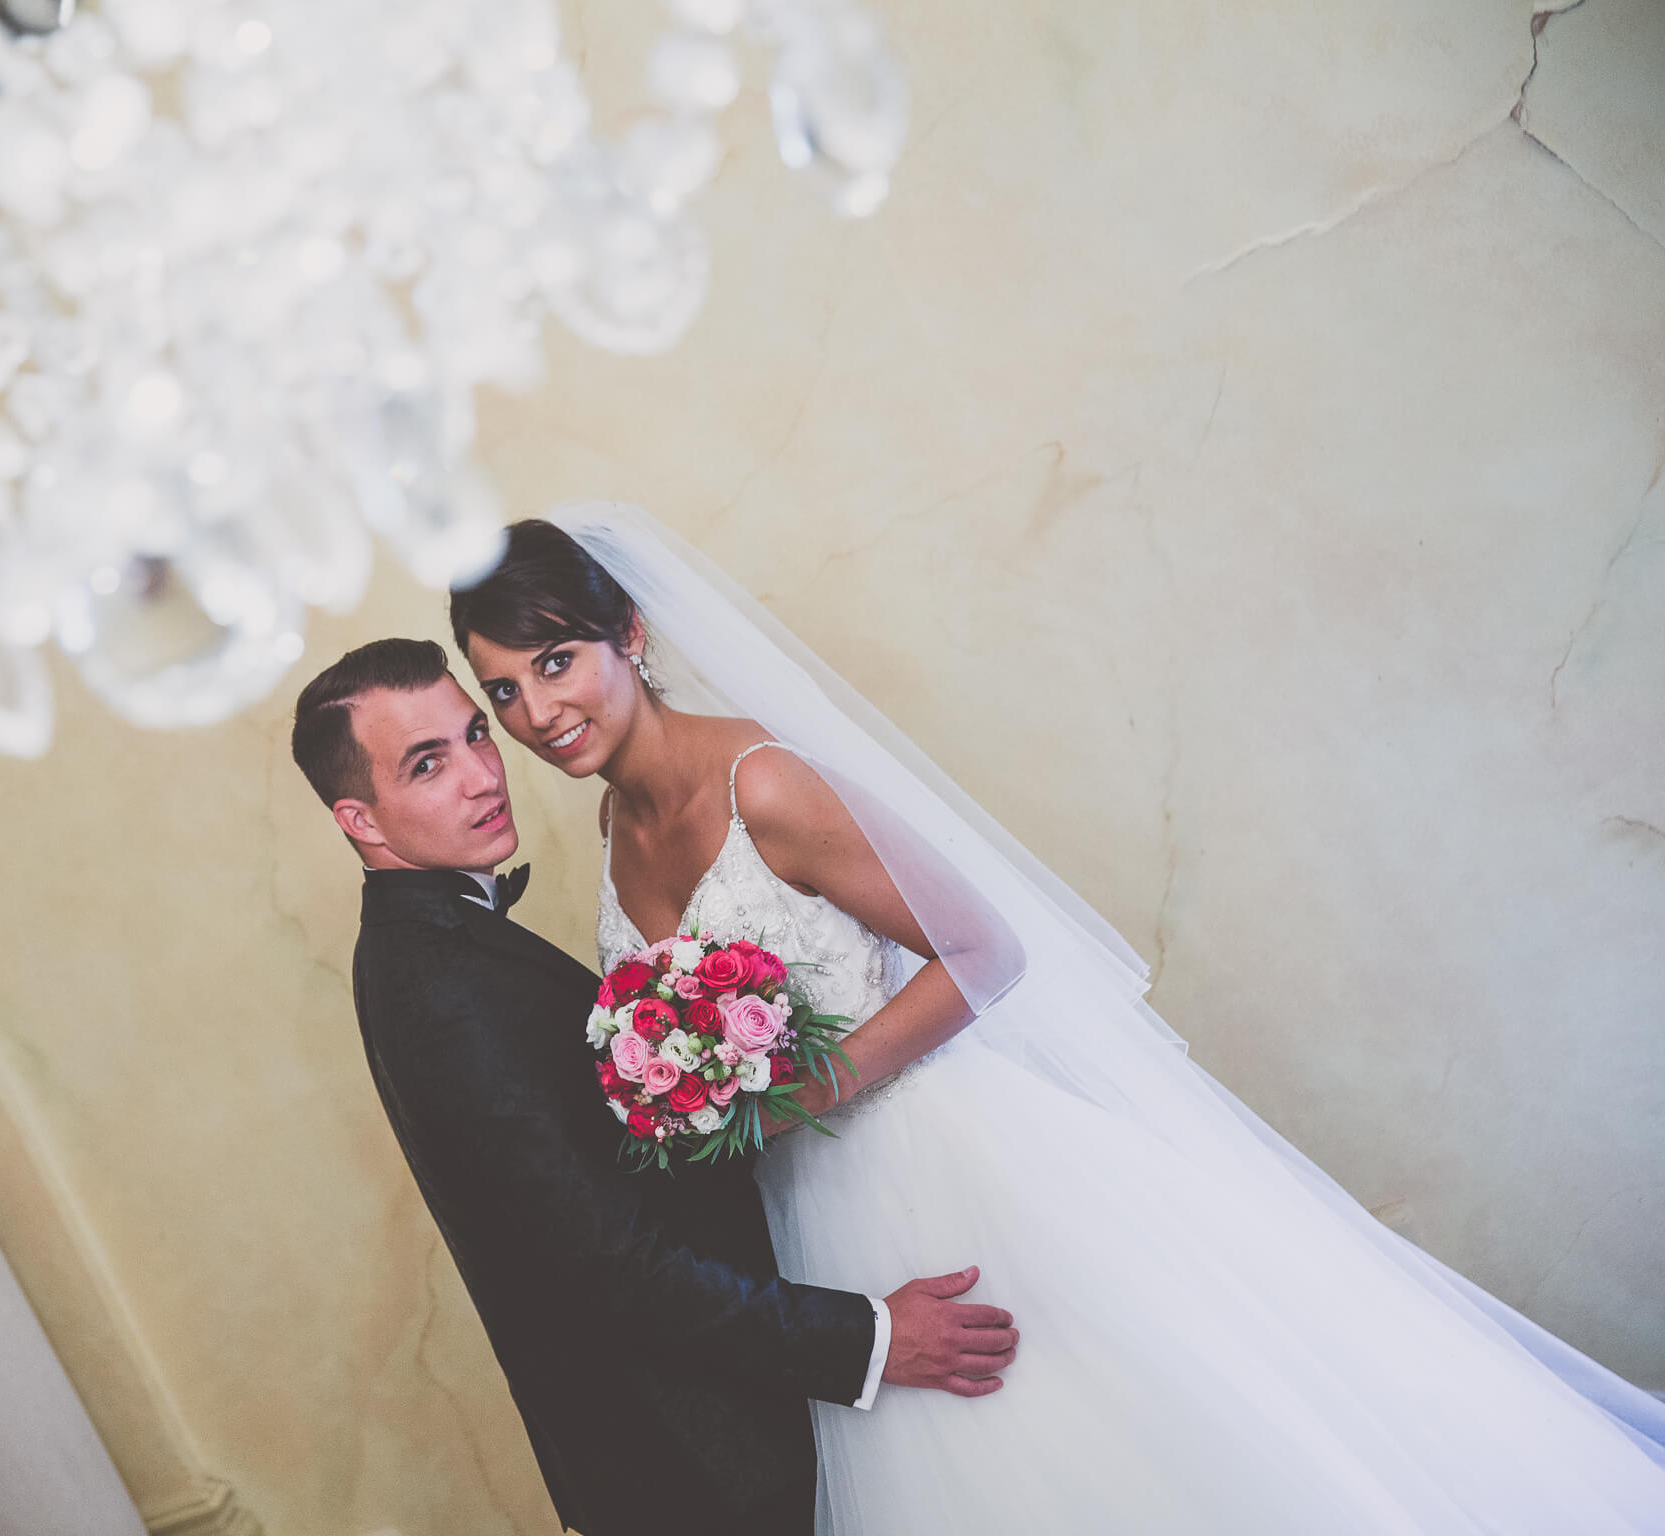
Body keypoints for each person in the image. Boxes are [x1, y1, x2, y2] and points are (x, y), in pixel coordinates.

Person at [448, 504, 1665, 1534]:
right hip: (814, 1233)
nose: (537, 711)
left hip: (948, 1166)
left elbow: (983, 953)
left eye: (556, 662)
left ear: (632, 636)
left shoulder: (761, 782)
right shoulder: (612, 835)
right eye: (504, 691)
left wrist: (793, 1098)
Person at [290, 637, 1019, 1536]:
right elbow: (610, 1264)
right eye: (429, 764)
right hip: (695, 1465)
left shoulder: (439, 949)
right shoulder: (442, 987)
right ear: (361, 820)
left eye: (477, 734)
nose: (484, 774)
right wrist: (869, 1342)